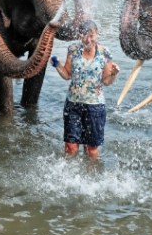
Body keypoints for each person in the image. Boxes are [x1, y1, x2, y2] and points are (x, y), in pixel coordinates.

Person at [50, 20, 120, 160]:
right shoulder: (73, 49)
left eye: (91, 36)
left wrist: (113, 74)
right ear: (79, 35)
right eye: (84, 35)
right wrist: (57, 65)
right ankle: (69, 171)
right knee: (70, 146)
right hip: (73, 104)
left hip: (95, 107)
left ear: (97, 34)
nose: (88, 40)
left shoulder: (104, 52)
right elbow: (67, 75)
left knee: (91, 149)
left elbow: (106, 82)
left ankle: (92, 172)